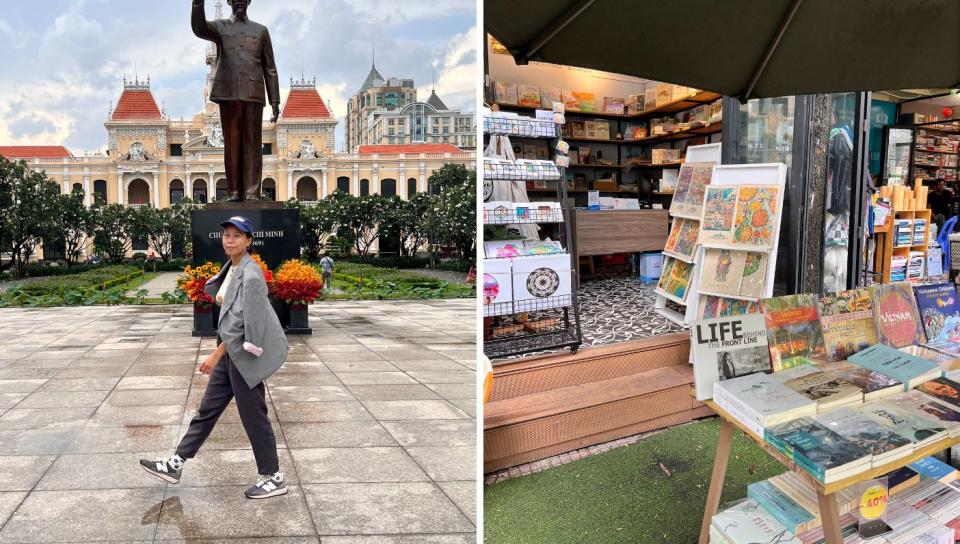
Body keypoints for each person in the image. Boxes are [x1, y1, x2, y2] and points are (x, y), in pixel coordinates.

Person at [140, 215, 290, 499]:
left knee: (254, 416)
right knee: (207, 410)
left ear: (249, 241)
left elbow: (245, 322)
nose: (230, 239)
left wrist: (215, 354)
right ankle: (176, 463)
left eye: (237, 235)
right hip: (231, 353)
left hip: (243, 355)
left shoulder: (252, 273)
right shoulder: (232, 268)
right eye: (226, 235)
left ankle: (274, 477)